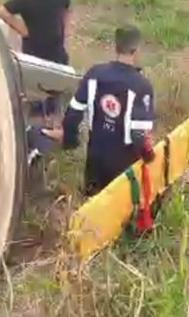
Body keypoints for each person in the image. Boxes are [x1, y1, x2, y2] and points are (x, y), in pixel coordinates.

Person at [31, 25, 155, 196]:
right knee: (119, 208)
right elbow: (138, 135)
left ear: (116, 46)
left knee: (91, 201)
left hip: (96, 154)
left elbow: (74, 113)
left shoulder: (95, 74)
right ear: (136, 49)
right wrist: (150, 158)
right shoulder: (141, 85)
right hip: (123, 161)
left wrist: (70, 140)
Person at [0, 0, 72, 121]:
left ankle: (55, 112)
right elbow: (3, 11)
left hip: (56, 48)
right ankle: (36, 116)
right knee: (36, 86)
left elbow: (67, 9)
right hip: (34, 49)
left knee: (58, 81)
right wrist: (22, 30)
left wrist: (66, 30)